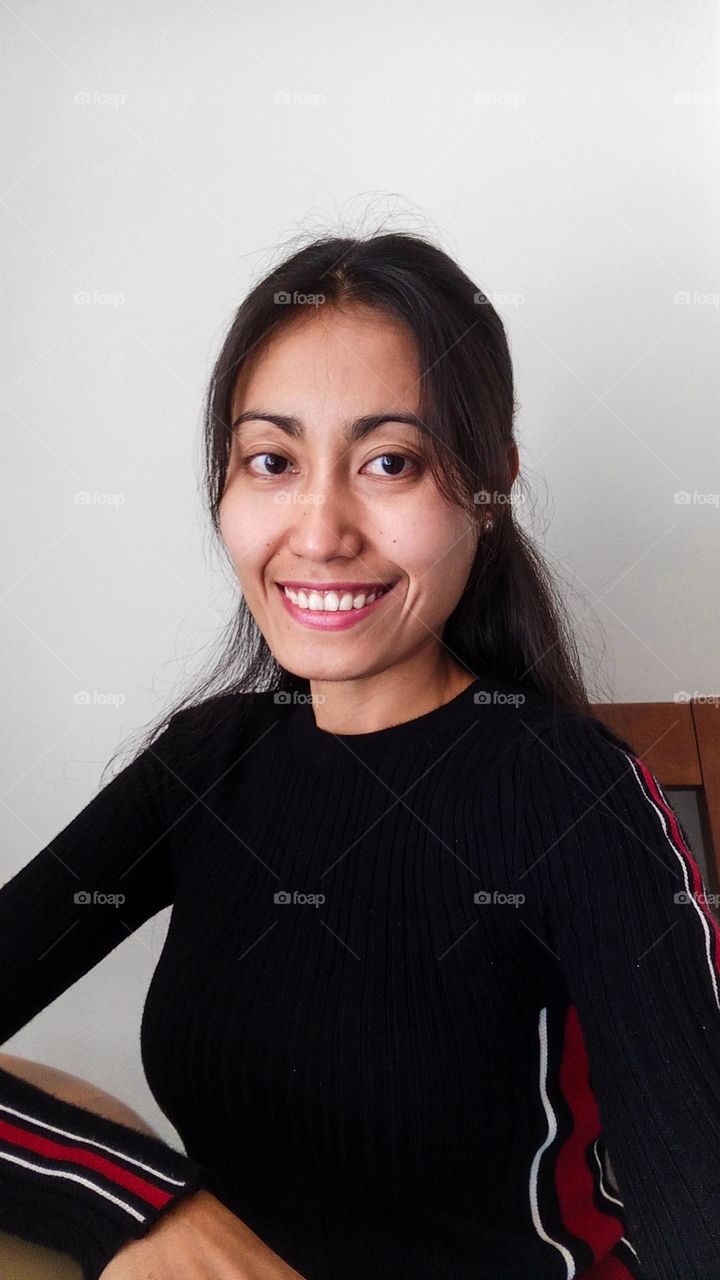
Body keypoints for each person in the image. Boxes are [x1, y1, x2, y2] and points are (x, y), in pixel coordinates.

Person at [2, 231, 719, 1280]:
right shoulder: (205, 765)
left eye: (390, 460)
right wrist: (142, 1207)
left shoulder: (578, 797)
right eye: (272, 460)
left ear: (488, 483)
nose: (320, 528)